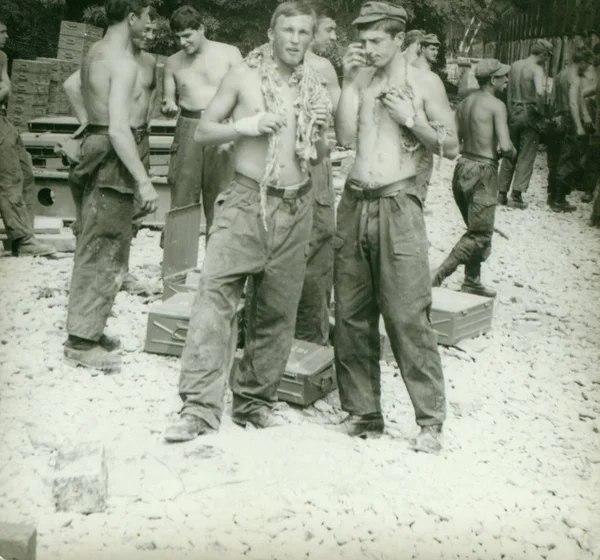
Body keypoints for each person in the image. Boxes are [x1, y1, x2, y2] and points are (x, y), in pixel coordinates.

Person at [164, 1, 331, 443]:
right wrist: (249, 126)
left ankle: (254, 402)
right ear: (271, 33)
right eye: (287, 30)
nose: (295, 40)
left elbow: (326, 142)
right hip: (245, 200)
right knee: (214, 298)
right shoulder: (244, 76)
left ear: (310, 38)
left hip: (295, 204)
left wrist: (318, 144)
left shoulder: (314, 85)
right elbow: (203, 132)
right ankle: (198, 408)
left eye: (303, 32)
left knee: (277, 309)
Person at [333, 1, 458, 454]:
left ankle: (430, 422)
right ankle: (364, 412)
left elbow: (452, 146)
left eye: (375, 41)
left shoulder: (425, 83)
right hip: (353, 201)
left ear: (400, 40)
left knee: (407, 312)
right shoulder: (362, 80)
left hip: (398, 203)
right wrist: (348, 84)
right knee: (350, 312)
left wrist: (413, 120)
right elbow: (346, 137)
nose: (366, 49)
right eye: (362, 41)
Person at [63, 0, 159, 373]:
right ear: (132, 18)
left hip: (96, 145)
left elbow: (75, 85)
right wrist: (144, 181)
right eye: (148, 18)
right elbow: (120, 129)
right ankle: (81, 341)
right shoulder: (123, 62)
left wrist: (88, 124)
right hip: (112, 153)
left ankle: (89, 326)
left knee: (95, 238)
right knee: (104, 246)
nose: (151, 25)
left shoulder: (95, 51)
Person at [432, 59, 516, 298]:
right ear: (492, 80)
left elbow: (454, 142)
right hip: (484, 171)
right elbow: (507, 145)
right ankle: (437, 274)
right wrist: (509, 154)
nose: (506, 80)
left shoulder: (465, 102)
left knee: (475, 228)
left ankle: (472, 280)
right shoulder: (497, 106)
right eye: (503, 77)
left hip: (462, 168)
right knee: (480, 235)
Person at [161, 5, 241, 244]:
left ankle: (217, 269)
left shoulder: (230, 53)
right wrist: (167, 105)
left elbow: (245, 95)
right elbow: (168, 98)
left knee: (223, 197)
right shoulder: (173, 62)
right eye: (178, 37)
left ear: (201, 29)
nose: (182, 42)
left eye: (187, 35)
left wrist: (235, 132)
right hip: (189, 128)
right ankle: (177, 271)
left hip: (221, 128)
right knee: (183, 196)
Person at [294, 8, 341, 346]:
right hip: (305, 161)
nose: (334, 38)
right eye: (329, 31)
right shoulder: (322, 67)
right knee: (317, 238)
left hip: (303, 158)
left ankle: (305, 329)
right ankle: (310, 333)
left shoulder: (265, 62)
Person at [0, 17, 56, 257]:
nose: (6, 36)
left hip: (3, 121)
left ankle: (22, 235)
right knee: (10, 178)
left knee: (25, 172)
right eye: (1, 31)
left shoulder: (1, 57)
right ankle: (22, 240)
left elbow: (7, 87)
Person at [497, 39, 553, 209]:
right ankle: (517, 194)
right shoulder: (537, 69)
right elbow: (540, 93)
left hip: (513, 109)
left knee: (510, 152)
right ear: (543, 54)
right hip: (529, 111)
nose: (546, 60)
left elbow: (508, 91)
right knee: (526, 154)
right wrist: (542, 113)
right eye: (547, 57)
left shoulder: (515, 65)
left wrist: (509, 111)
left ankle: (501, 192)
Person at [547, 47, 594, 213]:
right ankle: (559, 200)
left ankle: (552, 195)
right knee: (568, 159)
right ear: (581, 62)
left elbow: (552, 98)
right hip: (569, 119)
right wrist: (579, 126)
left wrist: (553, 116)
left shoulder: (561, 74)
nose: (588, 68)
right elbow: (574, 102)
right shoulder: (575, 77)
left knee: (556, 157)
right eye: (587, 64)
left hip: (558, 117)